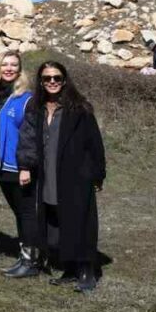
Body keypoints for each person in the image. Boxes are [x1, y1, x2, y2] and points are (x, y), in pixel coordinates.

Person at [17, 62, 106, 293]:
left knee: (79, 221)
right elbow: (29, 139)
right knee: (56, 222)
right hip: (48, 173)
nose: (52, 82)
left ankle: (86, 271)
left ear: (64, 80)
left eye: (57, 77)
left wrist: (97, 174)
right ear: (41, 82)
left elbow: (94, 143)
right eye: (47, 78)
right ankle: (70, 268)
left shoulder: (79, 109)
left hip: (76, 175)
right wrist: (26, 166)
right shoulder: (36, 108)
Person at [0, 51, 38, 277]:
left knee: (27, 212)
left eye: (13, 65)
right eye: (4, 64)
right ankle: (25, 256)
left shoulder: (27, 98)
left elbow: (30, 135)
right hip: (2, 164)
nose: (8, 68)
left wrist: (25, 167)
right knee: (19, 212)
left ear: (20, 69)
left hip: (19, 166)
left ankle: (31, 261)